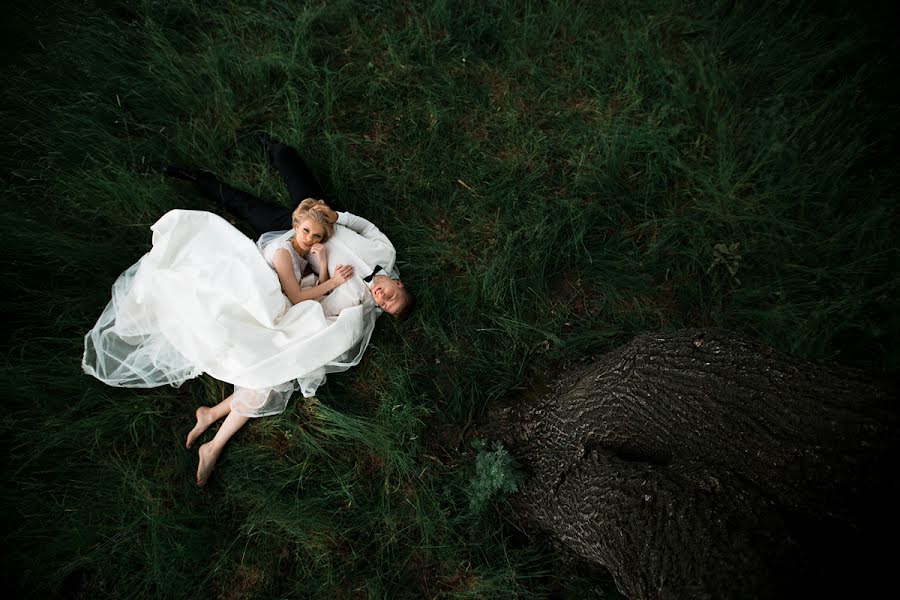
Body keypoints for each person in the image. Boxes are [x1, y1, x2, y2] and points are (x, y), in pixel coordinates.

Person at [83, 139, 413, 485]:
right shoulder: (385, 253)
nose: (382, 299)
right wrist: (334, 218)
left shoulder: (359, 300)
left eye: (384, 307)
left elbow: (315, 295)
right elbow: (364, 228)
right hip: (318, 221)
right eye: (390, 297)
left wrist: (324, 268)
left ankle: (212, 420)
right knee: (289, 163)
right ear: (399, 285)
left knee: (248, 209)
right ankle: (264, 148)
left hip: (298, 251)